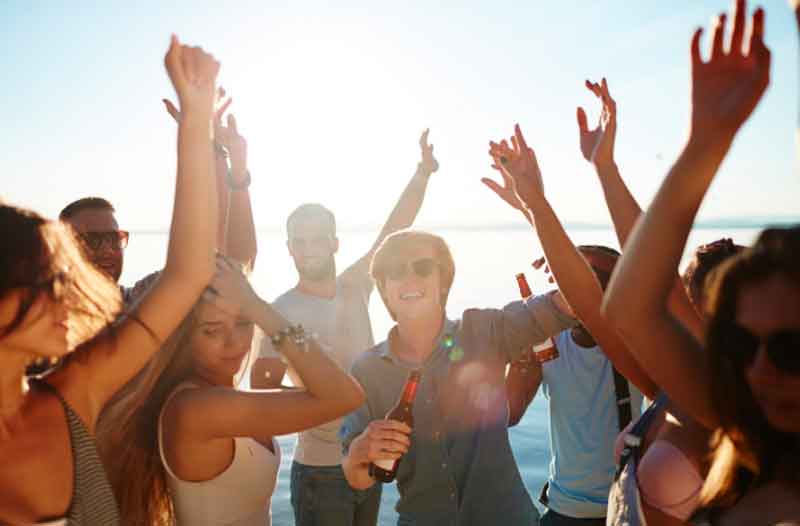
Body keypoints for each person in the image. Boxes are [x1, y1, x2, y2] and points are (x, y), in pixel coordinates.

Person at [0, 35, 220, 525]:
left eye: (65, 279)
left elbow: (190, 272)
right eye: (43, 283)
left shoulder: (71, 396)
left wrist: (197, 123)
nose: (67, 300)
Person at [604, 1, 800, 522]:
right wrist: (705, 141)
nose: (759, 368)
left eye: (791, 349)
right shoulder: (753, 431)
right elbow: (628, 307)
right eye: (739, 344)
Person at [250, 130, 440, 526]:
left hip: (366, 457)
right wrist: (315, 399)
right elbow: (261, 393)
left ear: (335, 243)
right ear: (289, 249)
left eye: (319, 238)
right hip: (319, 473)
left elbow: (394, 229)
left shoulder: (355, 286)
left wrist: (422, 173)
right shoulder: (279, 312)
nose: (310, 248)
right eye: (300, 241)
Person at [97, 258, 365, 526]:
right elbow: (344, 396)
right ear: (183, 336)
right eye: (212, 331)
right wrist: (257, 307)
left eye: (244, 323)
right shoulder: (199, 409)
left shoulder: (220, 392)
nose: (233, 342)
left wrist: (251, 303)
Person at [340, 229, 579, 526]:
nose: (410, 278)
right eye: (397, 271)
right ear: (384, 288)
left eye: (423, 268)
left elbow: (570, 303)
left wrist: (535, 210)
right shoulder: (367, 370)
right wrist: (359, 452)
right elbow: (358, 478)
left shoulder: (484, 331)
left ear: (443, 282)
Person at [484, 127, 651, 525]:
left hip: (628, 508)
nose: (575, 293)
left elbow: (648, 265)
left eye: (596, 283)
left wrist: (534, 204)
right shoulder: (550, 339)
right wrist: (514, 365)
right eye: (570, 284)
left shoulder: (636, 345)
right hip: (562, 511)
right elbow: (508, 413)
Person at [60, 89, 256, 309]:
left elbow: (233, 268)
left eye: (114, 239)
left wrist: (222, 156)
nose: (107, 250)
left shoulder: (138, 303)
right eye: (92, 240)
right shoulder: (39, 317)